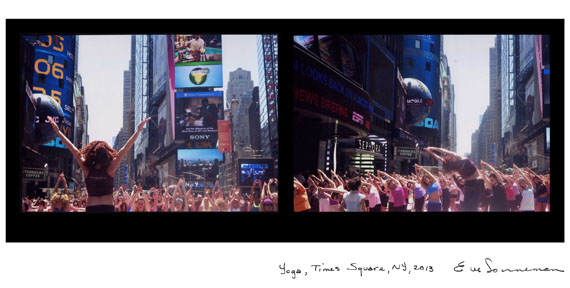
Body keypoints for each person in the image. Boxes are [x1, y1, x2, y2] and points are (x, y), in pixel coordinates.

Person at [47, 115, 151, 213]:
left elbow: (73, 149)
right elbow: (124, 149)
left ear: (92, 154)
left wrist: (58, 132)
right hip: (108, 207)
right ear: (107, 154)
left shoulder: (87, 169)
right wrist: (137, 131)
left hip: (92, 207)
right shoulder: (110, 168)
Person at [424, 147, 484, 212]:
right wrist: (431, 151)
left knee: (471, 206)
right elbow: (440, 156)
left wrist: (432, 149)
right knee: (468, 207)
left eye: (448, 155)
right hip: (471, 183)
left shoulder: (458, 160)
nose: (447, 156)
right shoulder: (454, 164)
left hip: (475, 183)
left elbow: (443, 152)